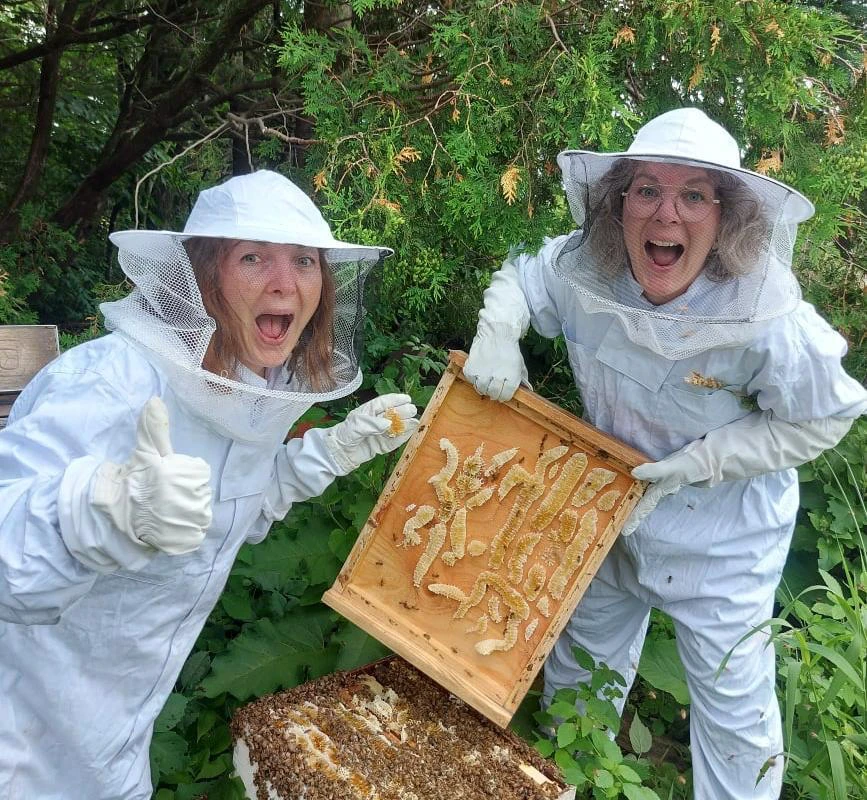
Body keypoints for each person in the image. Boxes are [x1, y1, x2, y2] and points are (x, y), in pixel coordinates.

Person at [463, 108, 867, 799]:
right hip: (604, 516)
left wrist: (702, 463)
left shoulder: (768, 319)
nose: (665, 215)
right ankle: (572, 780)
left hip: (722, 545)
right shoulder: (586, 270)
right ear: (617, 203)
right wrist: (498, 330)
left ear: (726, 216)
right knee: (576, 675)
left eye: (692, 195)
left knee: (734, 721)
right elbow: (524, 277)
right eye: (645, 189)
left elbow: (821, 419)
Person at [0, 170, 419, 800]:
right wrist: (102, 509)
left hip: (113, 748)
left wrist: (329, 453)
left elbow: (230, 512)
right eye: (253, 257)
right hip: (23, 748)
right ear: (203, 276)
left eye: (304, 260)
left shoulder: (247, 387)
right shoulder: (109, 382)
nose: (284, 282)